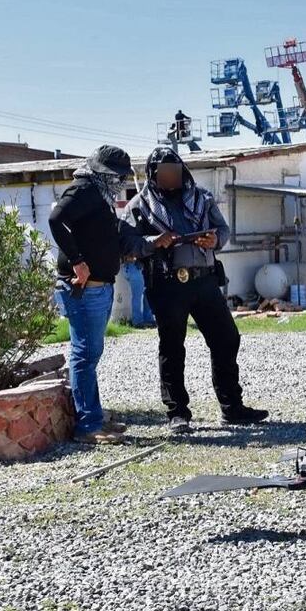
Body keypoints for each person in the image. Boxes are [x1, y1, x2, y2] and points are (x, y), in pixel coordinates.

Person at [122, 146, 269, 435]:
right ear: (153, 174)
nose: (170, 177)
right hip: (166, 283)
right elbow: (127, 244)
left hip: (204, 280)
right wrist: (154, 242)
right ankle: (178, 413)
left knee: (226, 339)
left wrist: (214, 240)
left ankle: (232, 407)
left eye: (174, 171)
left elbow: (223, 230)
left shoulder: (202, 197)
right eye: (164, 172)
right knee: (172, 347)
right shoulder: (139, 206)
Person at [49, 145, 174, 444]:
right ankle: (88, 426)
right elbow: (56, 219)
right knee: (84, 355)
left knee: (90, 355)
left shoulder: (100, 196)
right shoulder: (84, 189)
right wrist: (78, 261)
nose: (120, 181)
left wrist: (148, 244)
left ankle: (92, 415)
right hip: (85, 288)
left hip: (99, 286)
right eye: (115, 176)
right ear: (101, 173)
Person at [121, 256, 155, 328]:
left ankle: (148, 319)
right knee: (137, 296)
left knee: (147, 294)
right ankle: (137, 321)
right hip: (134, 266)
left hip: (143, 267)